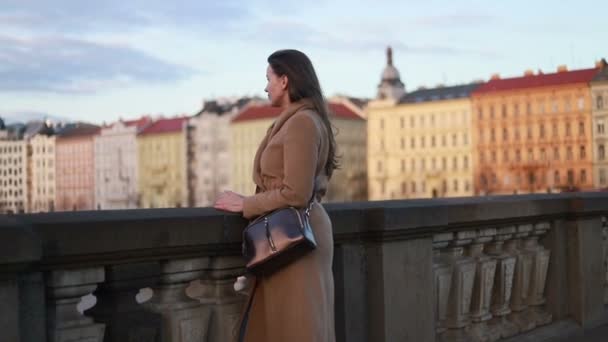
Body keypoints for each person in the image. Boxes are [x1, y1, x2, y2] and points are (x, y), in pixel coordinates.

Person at [214, 49, 338, 342]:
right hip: (287, 235)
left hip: (296, 237)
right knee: (285, 325)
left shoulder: (302, 123)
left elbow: (296, 192)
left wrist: (246, 204)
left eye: (268, 78)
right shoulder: (297, 119)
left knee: (298, 327)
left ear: (285, 80)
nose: (265, 86)